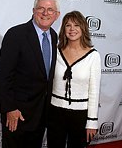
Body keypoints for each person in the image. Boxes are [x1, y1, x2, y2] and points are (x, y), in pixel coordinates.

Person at [0, 0, 60, 148]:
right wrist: (10, 108)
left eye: (50, 10)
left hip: (41, 114)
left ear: (57, 15)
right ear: (33, 11)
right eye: (41, 9)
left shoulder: (54, 36)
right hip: (18, 115)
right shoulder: (16, 34)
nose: (45, 13)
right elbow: (4, 76)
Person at [47, 11, 101, 148]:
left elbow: (94, 91)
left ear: (83, 28)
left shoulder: (93, 56)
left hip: (80, 115)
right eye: (68, 25)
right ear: (63, 29)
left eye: (76, 25)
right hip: (55, 112)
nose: (72, 29)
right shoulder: (56, 51)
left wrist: (92, 122)